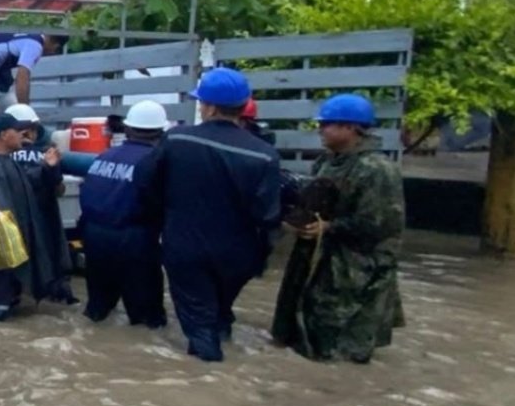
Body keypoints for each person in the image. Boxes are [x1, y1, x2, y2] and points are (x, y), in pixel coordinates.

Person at [139, 68, 281, 362]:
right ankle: (224, 342)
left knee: (200, 325)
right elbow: (268, 215)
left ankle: (209, 373)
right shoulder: (265, 154)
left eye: (201, 103)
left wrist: (165, 214)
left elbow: (145, 182)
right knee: (220, 310)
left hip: (187, 248)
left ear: (211, 107)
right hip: (239, 256)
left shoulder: (177, 139)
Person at [271, 94, 406, 363]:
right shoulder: (327, 162)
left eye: (326, 125)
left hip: (360, 269)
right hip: (321, 261)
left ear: (350, 128)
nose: (320, 130)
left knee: (346, 344)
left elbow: (380, 224)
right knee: (308, 330)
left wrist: (329, 227)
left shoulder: (377, 169)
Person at [0, 112, 69, 320]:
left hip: (12, 254)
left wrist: (47, 167)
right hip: (0, 260)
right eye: (17, 131)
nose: (22, 135)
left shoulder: (5, 161)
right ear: (3, 134)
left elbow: (27, 182)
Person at [79, 100, 168, 328]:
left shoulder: (105, 156)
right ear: (161, 131)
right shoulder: (156, 161)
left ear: (127, 129)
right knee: (147, 321)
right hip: (135, 239)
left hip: (94, 237)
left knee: (97, 312)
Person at [5, 103, 76, 304]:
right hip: (41, 217)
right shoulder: (47, 154)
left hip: (18, 217)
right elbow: (59, 189)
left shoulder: (1, 156)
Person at [0, 33, 66, 129]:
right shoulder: (35, 46)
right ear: (55, 47)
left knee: (4, 87)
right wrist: (25, 111)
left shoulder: (28, 35)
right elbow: (22, 78)